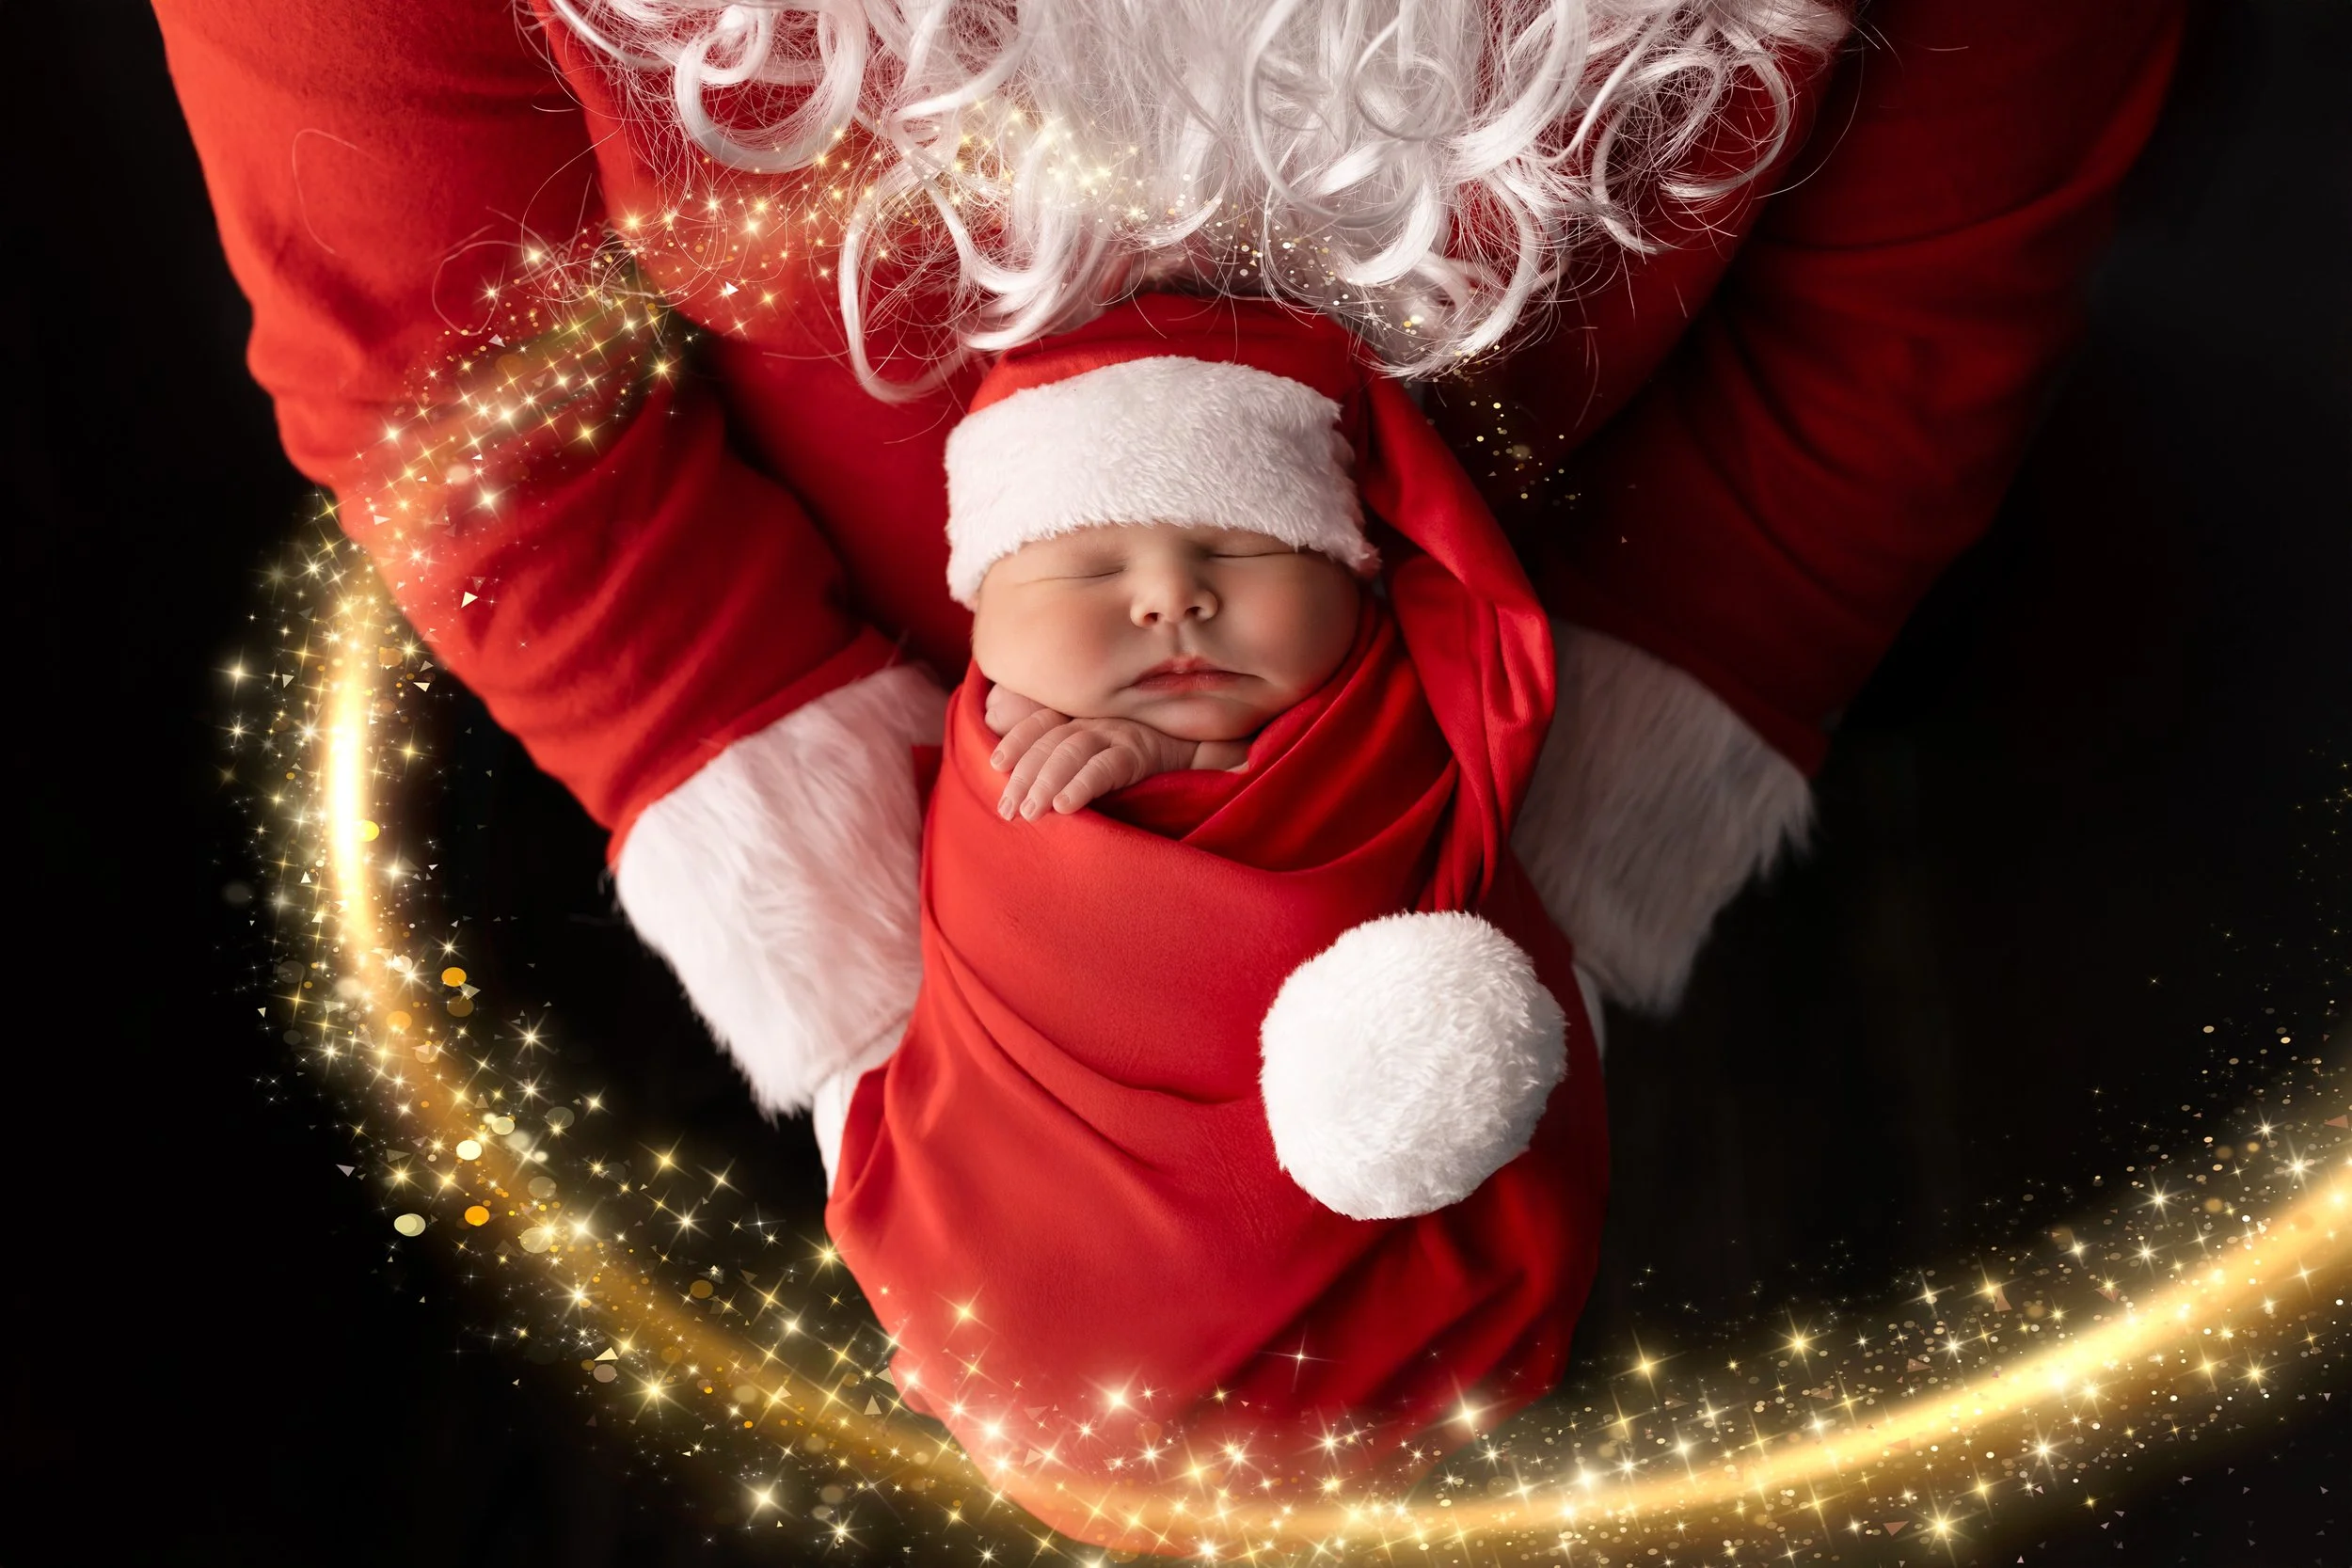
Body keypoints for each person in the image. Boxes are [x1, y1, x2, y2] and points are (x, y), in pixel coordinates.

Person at [820, 294, 1608, 1541]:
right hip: (1051, 1200)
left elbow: (1403, 864)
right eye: (1087, 566)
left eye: (1243, 551)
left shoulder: (1393, 727)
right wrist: (1098, 786)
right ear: (981, 614)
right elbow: (1007, 926)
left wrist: (1206, 766)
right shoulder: (1004, 741)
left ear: (1355, 577)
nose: (1172, 600)